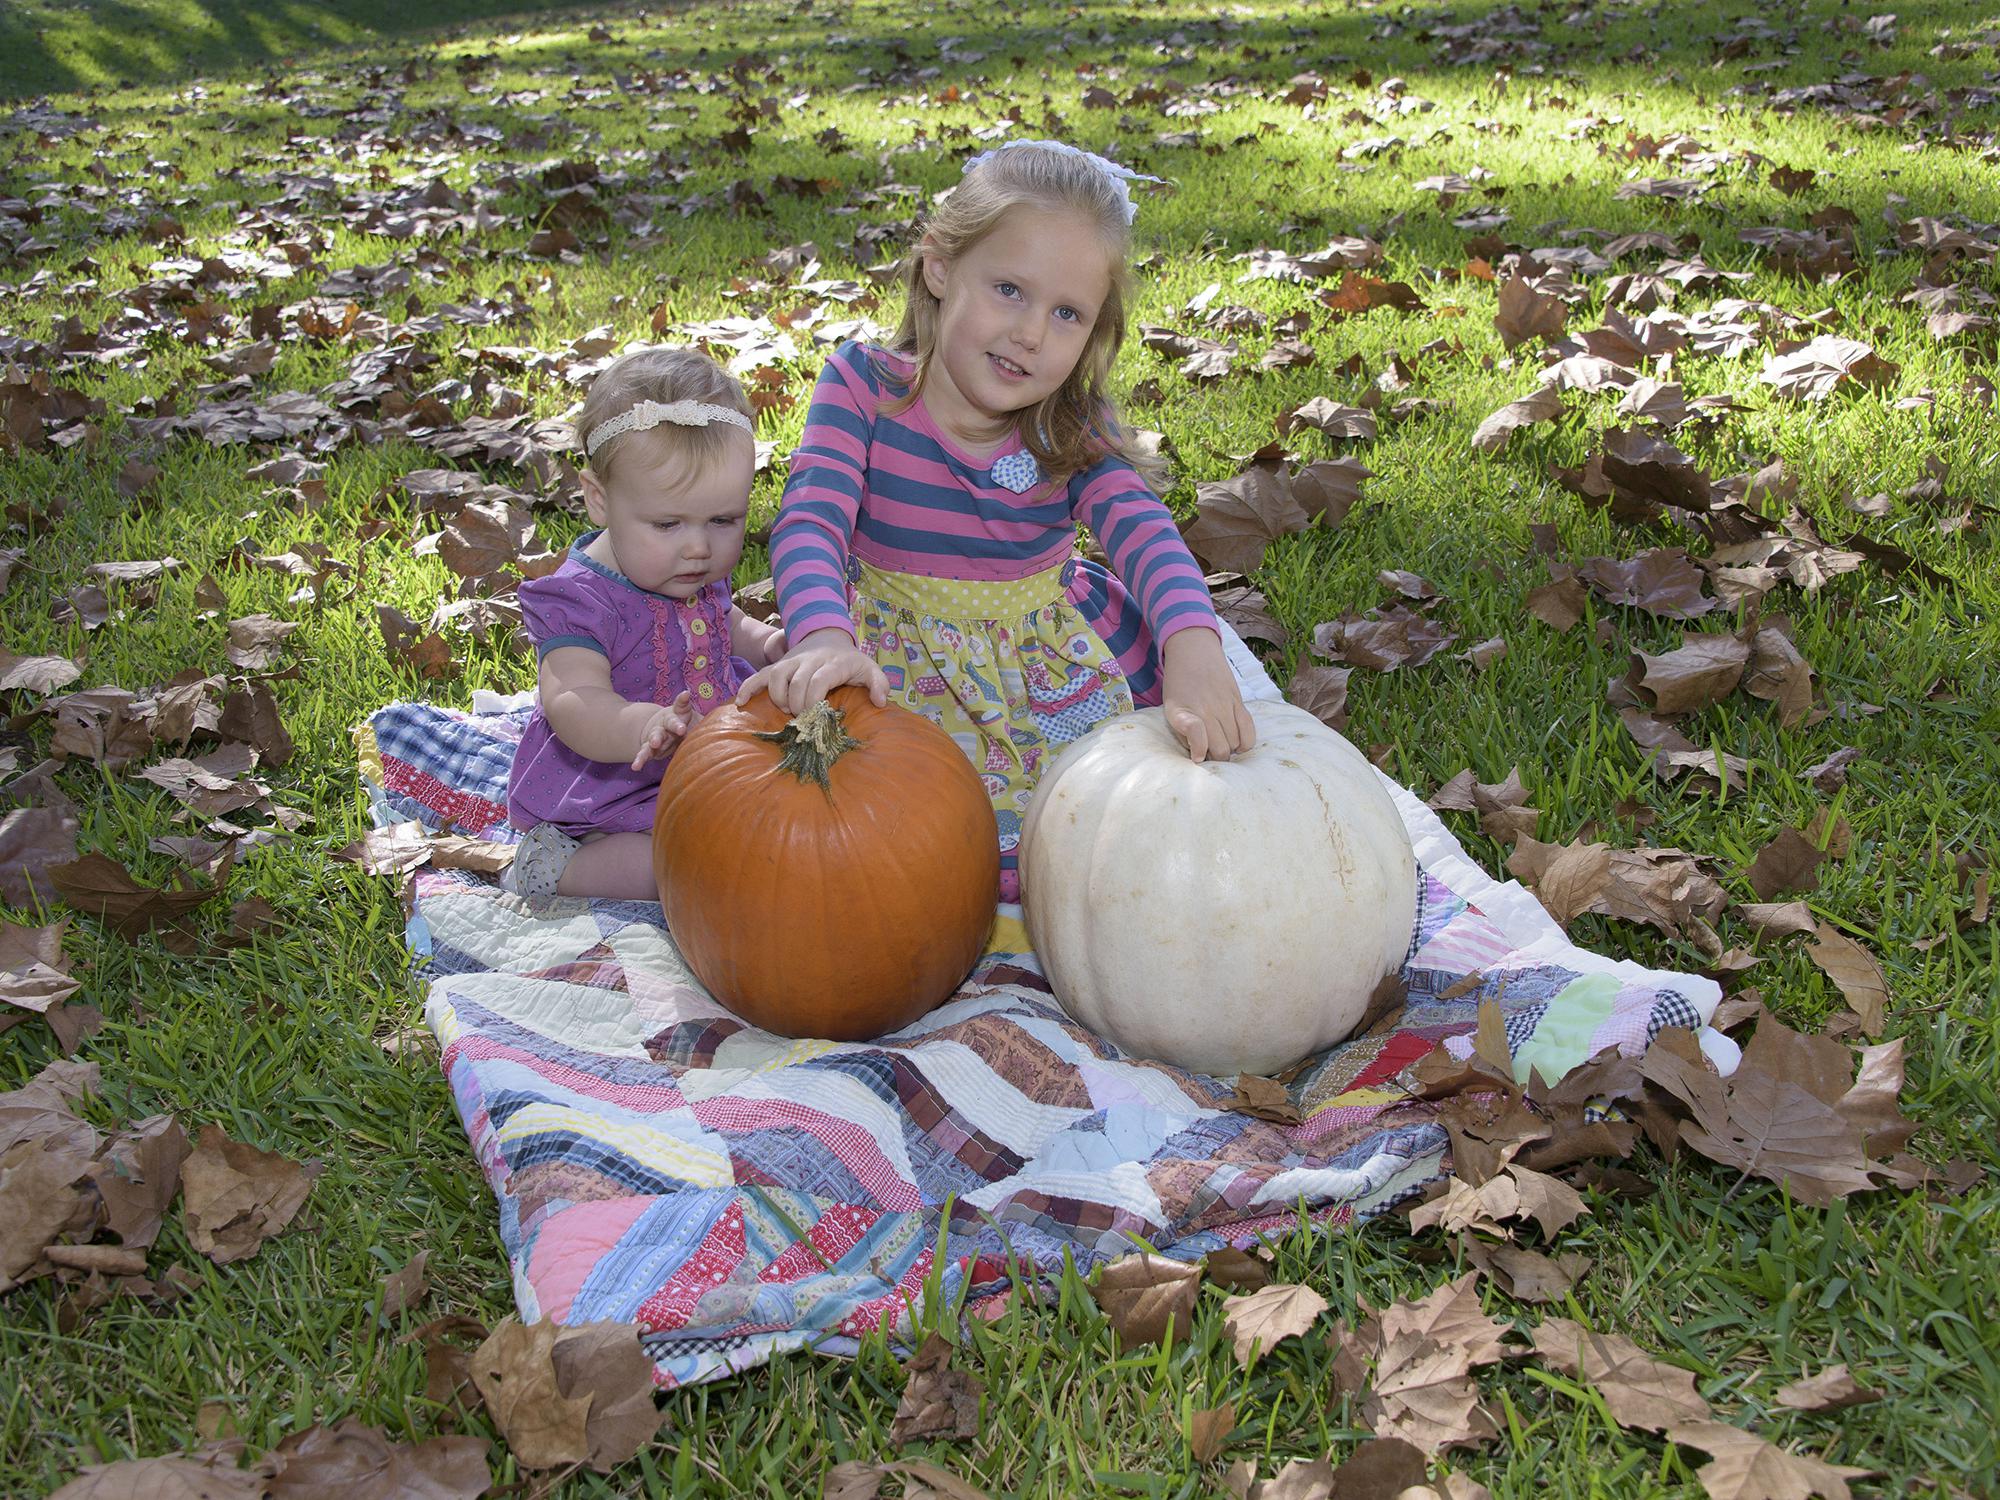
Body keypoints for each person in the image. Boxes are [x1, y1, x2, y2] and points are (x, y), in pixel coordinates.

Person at [738, 139, 1256, 902]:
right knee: (876, 857)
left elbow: (1143, 532)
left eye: (1067, 313)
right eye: (1009, 289)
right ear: (941, 266)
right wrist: (822, 637)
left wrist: (1192, 644)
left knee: (1112, 848)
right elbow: (811, 517)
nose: (1032, 334)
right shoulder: (864, 388)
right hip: (891, 663)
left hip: (1044, 664)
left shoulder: (1071, 424)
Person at [505, 347, 786, 905]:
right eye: (667, 523)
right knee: (678, 867)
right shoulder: (579, 601)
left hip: (709, 761)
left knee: (772, 824)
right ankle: (557, 865)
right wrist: (640, 727)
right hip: (615, 787)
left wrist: (767, 644)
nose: (700, 547)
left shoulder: (686, 570)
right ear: (599, 500)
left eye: (723, 520)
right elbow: (574, 699)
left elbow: (719, 622)